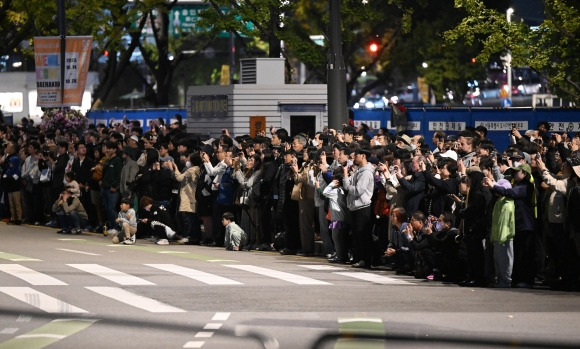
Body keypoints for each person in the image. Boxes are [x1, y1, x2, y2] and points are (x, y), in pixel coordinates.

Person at [488, 179, 516, 288]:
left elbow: (504, 223)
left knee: (505, 259)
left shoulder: (507, 203)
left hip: (504, 237)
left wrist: (501, 237)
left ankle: (505, 280)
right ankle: (500, 279)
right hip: (498, 236)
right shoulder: (500, 201)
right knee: (499, 259)